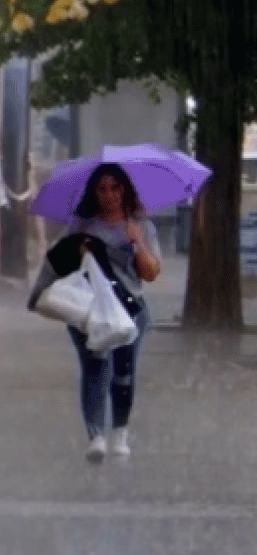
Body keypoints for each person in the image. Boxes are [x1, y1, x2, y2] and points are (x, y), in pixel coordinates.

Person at [66, 164, 162, 462]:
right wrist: (79, 254)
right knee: (95, 369)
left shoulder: (141, 225)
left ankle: (119, 432)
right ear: (94, 193)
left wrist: (137, 242)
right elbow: (64, 268)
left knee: (123, 372)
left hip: (130, 308)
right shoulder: (82, 226)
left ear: (125, 190)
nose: (109, 195)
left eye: (115, 188)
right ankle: (96, 435)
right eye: (102, 189)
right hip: (89, 310)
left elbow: (150, 273)